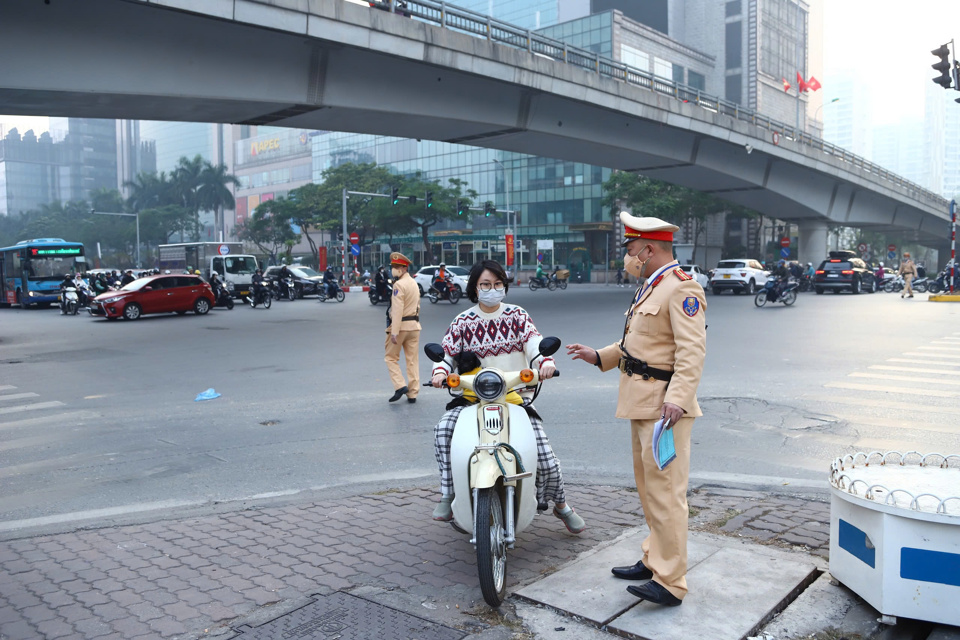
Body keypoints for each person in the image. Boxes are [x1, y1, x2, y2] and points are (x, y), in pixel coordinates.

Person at [566, 212, 707, 607]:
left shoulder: (682, 288)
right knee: (650, 492)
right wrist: (600, 356)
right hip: (642, 404)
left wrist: (677, 399)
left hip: (666, 409)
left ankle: (671, 582)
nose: (628, 256)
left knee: (667, 495)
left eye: (630, 249)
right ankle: (653, 558)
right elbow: (639, 343)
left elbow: (692, 351)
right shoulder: (653, 285)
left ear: (648, 248)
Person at [429, 259, 585, 534]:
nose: (492, 289)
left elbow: (535, 344)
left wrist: (545, 363)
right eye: (486, 285)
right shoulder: (462, 321)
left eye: (498, 284)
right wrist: (440, 372)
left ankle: (561, 505)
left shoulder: (517, 316)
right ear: (475, 288)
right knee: (443, 431)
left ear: (505, 286)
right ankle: (448, 494)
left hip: (515, 398)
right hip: (471, 400)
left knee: (545, 458)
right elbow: (447, 354)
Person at [385, 252, 421, 403]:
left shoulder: (398, 285)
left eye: (396, 267)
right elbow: (417, 305)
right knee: (412, 360)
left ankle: (400, 386)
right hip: (415, 326)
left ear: (403, 268)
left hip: (401, 327)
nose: (394, 269)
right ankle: (413, 393)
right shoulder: (414, 283)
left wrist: (394, 331)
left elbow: (397, 309)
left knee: (390, 357)